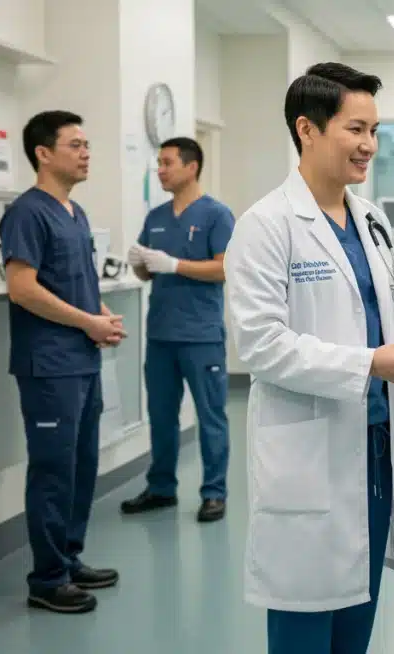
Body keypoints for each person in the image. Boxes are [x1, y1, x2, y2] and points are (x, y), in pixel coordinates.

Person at [224, 62, 394, 654]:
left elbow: (387, 310)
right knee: (303, 624)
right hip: (309, 452)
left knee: (357, 618)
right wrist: (369, 364)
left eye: (374, 130)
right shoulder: (266, 226)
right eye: (356, 129)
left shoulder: (370, 221)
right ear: (307, 128)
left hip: (373, 443)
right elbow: (261, 344)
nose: (368, 145)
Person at [0, 110, 125, 614]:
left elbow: (75, 284)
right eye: (75, 144)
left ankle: (69, 560)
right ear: (43, 153)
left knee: (81, 465)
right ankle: (46, 580)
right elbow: (22, 287)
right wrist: (86, 323)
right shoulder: (28, 213)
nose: (86, 152)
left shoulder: (73, 214)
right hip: (49, 364)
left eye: (87, 144)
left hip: (82, 360)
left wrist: (102, 315)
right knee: (53, 470)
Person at [120, 137, 235, 523]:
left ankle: (214, 493)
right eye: (159, 163)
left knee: (211, 416)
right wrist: (140, 262)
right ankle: (161, 488)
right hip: (161, 336)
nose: (161, 170)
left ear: (192, 167)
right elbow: (146, 269)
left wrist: (174, 264)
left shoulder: (217, 215)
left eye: (168, 162)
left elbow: (224, 268)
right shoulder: (155, 218)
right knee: (161, 415)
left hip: (201, 335)